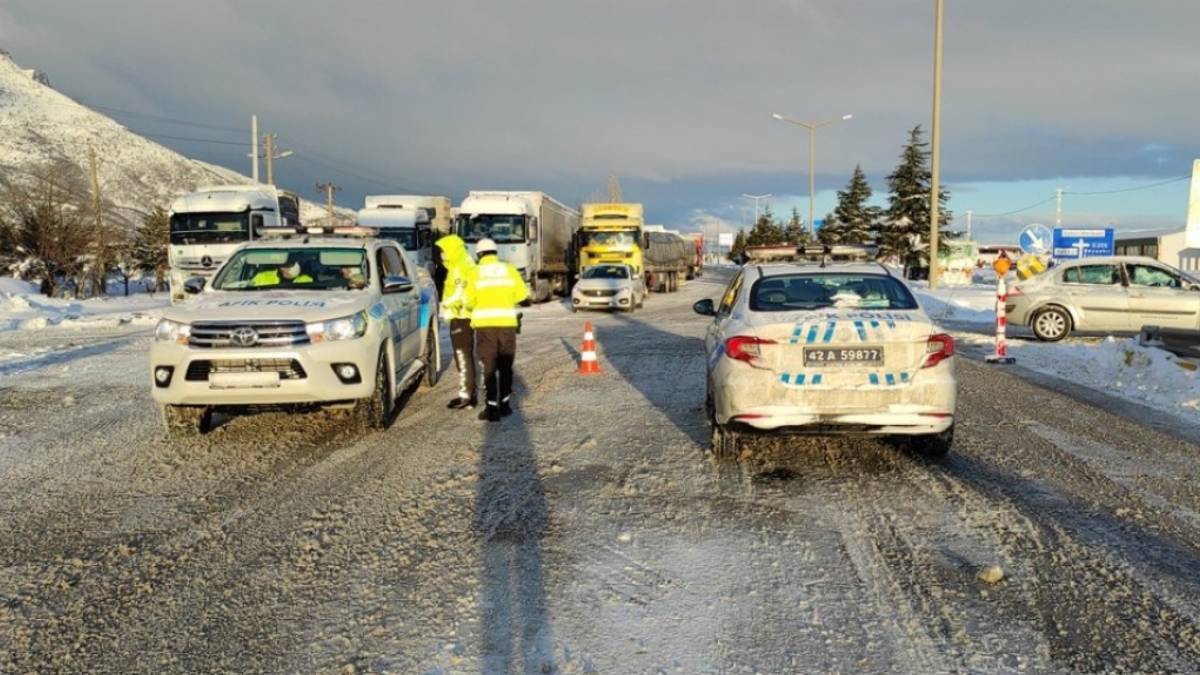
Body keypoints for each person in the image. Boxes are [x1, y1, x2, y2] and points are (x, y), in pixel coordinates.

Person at [464, 237, 528, 422]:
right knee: (506, 366)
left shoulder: (474, 273)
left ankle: (491, 409)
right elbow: (523, 294)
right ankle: (505, 405)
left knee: (489, 367)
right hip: (507, 325)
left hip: (485, 327)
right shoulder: (508, 269)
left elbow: (468, 301)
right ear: (495, 253)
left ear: (479, 254)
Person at [435, 234, 478, 410]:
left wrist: (449, 304)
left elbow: (461, 294)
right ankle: (468, 394)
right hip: (463, 316)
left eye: (444, 251)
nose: (442, 255)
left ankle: (467, 396)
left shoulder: (460, 267)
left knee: (463, 356)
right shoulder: (463, 264)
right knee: (464, 356)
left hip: (461, 317)